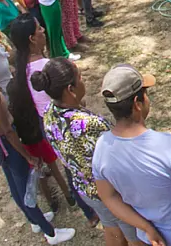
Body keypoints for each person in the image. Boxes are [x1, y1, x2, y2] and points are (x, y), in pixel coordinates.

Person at [0, 32, 77, 244]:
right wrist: (26, 155)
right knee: (27, 189)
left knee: (16, 187)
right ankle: (50, 233)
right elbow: (6, 129)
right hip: (8, 145)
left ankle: (34, 221)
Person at [93, 65, 171, 246]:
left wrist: (146, 227)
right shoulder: (168, 145)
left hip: (152, 239)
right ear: (138, 104)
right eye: (145, 94)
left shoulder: (101, 148)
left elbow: (109, 197)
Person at [35, 58, 134, 246]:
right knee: (134, 234)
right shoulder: (90, 125)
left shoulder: (49, 111)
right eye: (80, 78)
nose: (83, 81)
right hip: (112, 193)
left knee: (111, 227)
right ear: (70, 90)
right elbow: (118, 156)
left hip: (85, 189)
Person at [6, 14, 77, 214]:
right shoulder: (47, 68)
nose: (43, 31)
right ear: (31, 39)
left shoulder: (20, 72)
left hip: (39, 129)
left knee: (50, 164)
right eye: (39, 29)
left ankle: (58, 199)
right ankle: (78, 200)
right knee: (68, 163)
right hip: (61, 127)